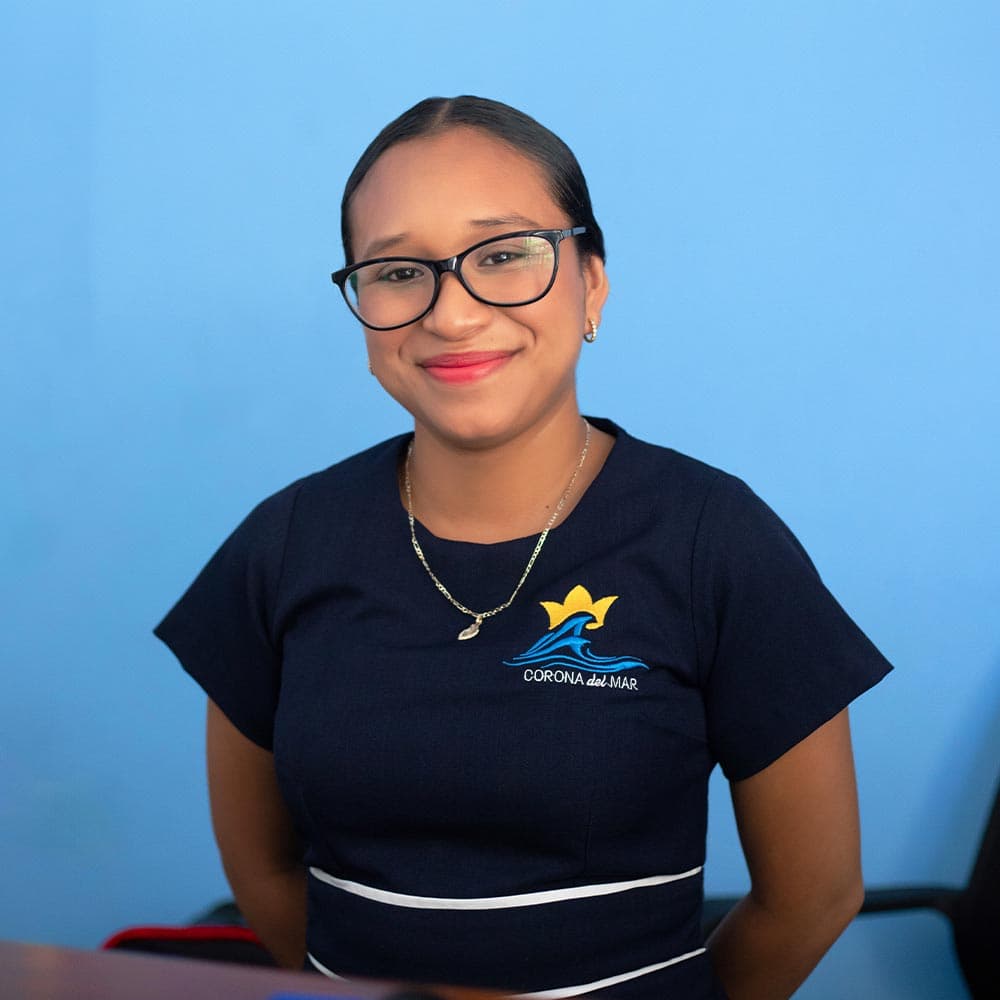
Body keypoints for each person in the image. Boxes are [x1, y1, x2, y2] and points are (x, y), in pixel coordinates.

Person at [155, 96, 893, 999]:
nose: (452, 314)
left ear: (594, 281)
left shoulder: (714, 542)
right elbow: (265, 876)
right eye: (396, 270)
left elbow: (814, 896)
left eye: (504, 256)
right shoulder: (285, 544)